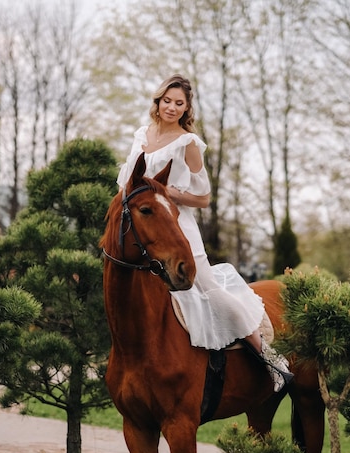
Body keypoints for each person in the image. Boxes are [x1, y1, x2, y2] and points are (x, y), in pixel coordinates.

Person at [117, 74, 292, 391]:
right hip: (138, 223)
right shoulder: (141, 134)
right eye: (167, 100)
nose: (171, 107)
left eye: (179, 103)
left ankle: (269, 357)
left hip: (176, 224)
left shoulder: (189, 143)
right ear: (158, 102)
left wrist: (167, 193)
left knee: (210, 289)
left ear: (186, 109)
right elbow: (126, 181)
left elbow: (204, 198)